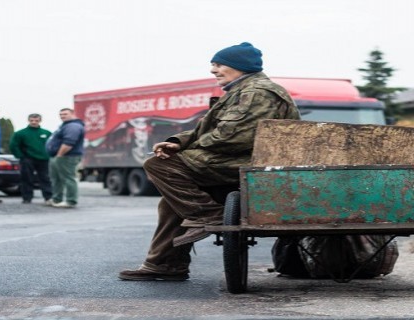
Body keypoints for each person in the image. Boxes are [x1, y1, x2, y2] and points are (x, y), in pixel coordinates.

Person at [119, 42, 301, 281]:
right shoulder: (243, 90)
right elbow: (216, 129)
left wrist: (188, 149)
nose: (213, 70)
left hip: (250, 164)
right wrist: (179, 142)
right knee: (171, 201)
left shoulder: (256, 92)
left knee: (159, 164)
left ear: (240, 66)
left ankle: (208, 214)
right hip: (235, 161)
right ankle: (166, 264)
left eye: (218, 64)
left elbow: (235, 136)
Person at [9, 113, 53, 204]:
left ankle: (48, 197)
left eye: (36, 120)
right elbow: (14, 145)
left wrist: (50, 154)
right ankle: (27, 197)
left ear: (40, 121)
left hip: (44, 159)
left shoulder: (46, 133)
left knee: (45, 178)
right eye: (32, 120)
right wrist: (20, 155)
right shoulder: (20, 133)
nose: (34, 122)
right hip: (27, 159)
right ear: (28, 120)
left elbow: (52, 144)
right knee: (26, 178)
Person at [46, 108, 85, 208]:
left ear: (72, 114)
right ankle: (56, 199)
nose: (62, 116)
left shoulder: (73, 126)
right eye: (61, 114)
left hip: (67, 156)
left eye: (65, 114)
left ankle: (71, 201)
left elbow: (69, 142)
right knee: (56, 179)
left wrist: (59, 155)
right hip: (58, 156)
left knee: (68, 178)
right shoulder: (65, 125)